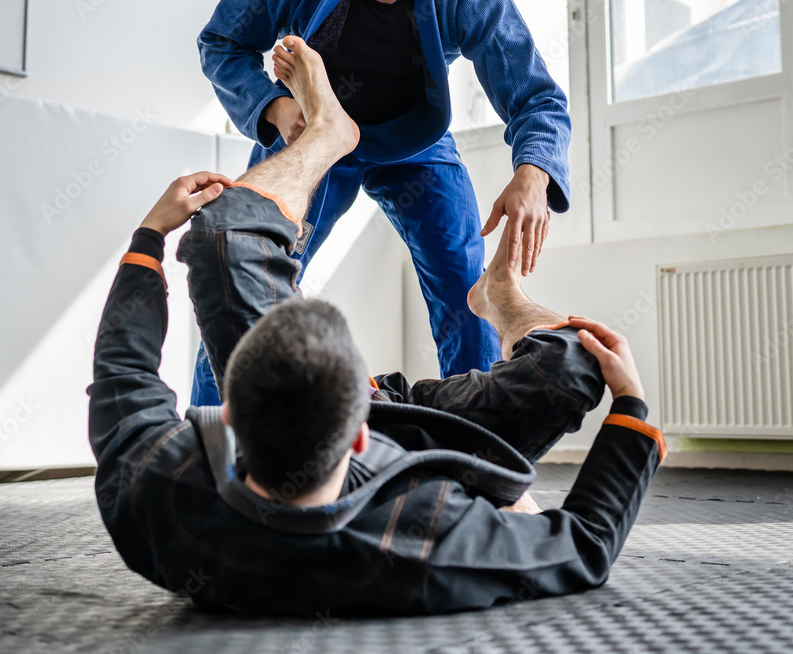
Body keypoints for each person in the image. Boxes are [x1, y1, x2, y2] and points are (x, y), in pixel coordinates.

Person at [88, 39, 664, 616]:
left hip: (344, 422)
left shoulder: (155, 492)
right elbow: (588, 545)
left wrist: (147, 237)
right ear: (360, 431)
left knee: (219, 239)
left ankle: (325, 135)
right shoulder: (435, 535)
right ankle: (502, 294)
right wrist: (631, 405)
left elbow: (123, 368)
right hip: (427, 445)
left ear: (229, 418)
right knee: (576, 359)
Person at [192, 0, 571, 405]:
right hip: (310, 129)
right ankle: (205, 444)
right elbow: (220, 42)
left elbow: (537, 97)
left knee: (464, 286)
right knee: (248, 278)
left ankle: (474, 446)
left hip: (414, 139)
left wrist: (534, 170)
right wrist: (275, 107)